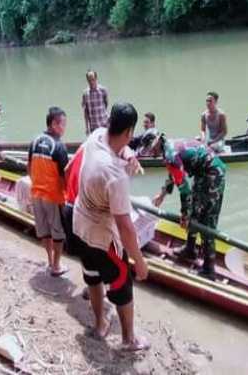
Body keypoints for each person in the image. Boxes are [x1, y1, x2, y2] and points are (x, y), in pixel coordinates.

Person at [73, 102, 150, 351]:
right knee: (121, 287)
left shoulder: (96, 136)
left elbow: (118, 147)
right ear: (129, 132)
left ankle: (100, 323)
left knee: (92, 277)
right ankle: (129, 339)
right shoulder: (116, 177)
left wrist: (129, 154)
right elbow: (125, 226)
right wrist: (139, 261)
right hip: (104, 238)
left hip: (80, 225)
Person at [145, 132, 226, 279]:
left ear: (157, 143)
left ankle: (209, 268)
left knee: (206, 220)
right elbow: (175, 174)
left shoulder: (170, 155)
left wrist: (184, 214)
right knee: (194, 211)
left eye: (151, 149)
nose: (151, 153)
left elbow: (185, 191)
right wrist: (163, 193)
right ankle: (190, 249)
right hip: (202, 173)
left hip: (212, 174)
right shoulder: (169, 147)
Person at [28, 107, 70, 277]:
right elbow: (64, 175)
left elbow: (29, 167)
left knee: (44, 231)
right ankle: (57, 266)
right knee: (58, 233)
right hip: (53, 196)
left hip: (36, 194)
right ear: (54, 124)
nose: (64, 128)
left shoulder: (35, 141)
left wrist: (37, 184)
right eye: (63, 124)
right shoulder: (59, 146)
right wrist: (66, 195)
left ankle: (50, 261)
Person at [81, 70, 109, 135]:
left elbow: (106, 104)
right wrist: (87, 127)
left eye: (93, 79)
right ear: (87, 80)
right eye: (89, 80)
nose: (91, 82)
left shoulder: (103, 90)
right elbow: (86, 112)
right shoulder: (85, 93)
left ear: (96, 78)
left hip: (105, 123)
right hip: (93, 126)